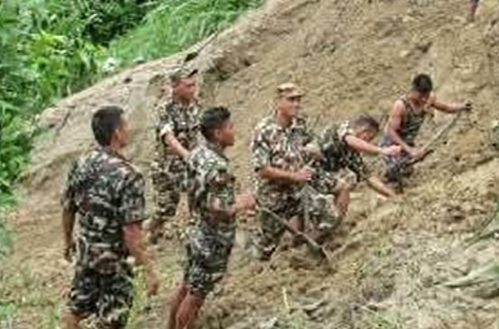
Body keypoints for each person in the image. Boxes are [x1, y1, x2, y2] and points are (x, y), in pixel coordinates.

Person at [61, 106, 158, 329]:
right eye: (125, 125)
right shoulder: (129, 175)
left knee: (76, 309)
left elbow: (67, 208)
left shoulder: (81, 163)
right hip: (112, 261)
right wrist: (148, 271)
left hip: (86, 252)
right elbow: (131, 232)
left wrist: (67, 241)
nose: (128, 130)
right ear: (117, 132)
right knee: (113, 320)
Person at [167, 107, 255, 329]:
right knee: (195, 298)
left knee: (187, 286)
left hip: (196, 230)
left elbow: (193, 193)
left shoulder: (197, 153)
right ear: (217, 133)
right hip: (211, 240)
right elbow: (219, 209)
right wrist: (242, 203)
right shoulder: (218, 167)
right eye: (230, 127)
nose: (234, 131)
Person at [301, 116, 402, 242]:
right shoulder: (340, 129)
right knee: (343, 187)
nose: (368, 142)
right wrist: (382, 150)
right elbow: (349, 139)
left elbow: (369, 177)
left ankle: (319, 233)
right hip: (304, 169)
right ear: (364, 131)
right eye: (369, 138)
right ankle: (325, 231)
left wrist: (393, 196)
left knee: (341, 186)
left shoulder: (352, 154)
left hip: (317, 176)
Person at [250, 83, 317, 261]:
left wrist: (312, 149)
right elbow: (263, 169)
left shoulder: (300, 124)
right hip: (273, 197)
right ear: (278, 102)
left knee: (320, 215)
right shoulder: (264, 130)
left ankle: (297, 258)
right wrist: (295, 176)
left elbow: (311, 142)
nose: (296, 104)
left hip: (298, 192)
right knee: (267, 248)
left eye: (298, 100)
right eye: (291, 100)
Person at [382, 74, 470, 189]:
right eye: (420, 95)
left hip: (408, 141)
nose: (423, 99)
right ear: (413, 90)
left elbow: (446, 107)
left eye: (426, 95)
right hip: (392, 143)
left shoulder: (428, 99)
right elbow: (391, 132)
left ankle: (404, 166)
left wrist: (462, 106)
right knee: (396, 171)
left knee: (408, 168)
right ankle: (390, 177)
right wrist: (409, 150)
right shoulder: (400, 106)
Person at [148, 68, 204, 244]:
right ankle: (149, 233)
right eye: (188, 86)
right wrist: (186, 154)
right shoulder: (165, 108)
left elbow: (200, 131)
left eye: (194, 85)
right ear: (175, 87)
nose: (193, 89)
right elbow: (168, 136)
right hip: (167, 167)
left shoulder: (195, 104)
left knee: (198, 198)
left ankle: (195, 236)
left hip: (190, 164)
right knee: (166, 209)